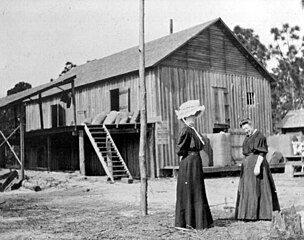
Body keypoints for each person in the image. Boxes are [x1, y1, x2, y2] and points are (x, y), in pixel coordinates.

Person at [174, 100, 213, 230]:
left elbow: (201, 144)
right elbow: (180, 149)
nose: (194, 118)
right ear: (185, 117)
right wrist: (185, 158)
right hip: (189, 162)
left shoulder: (193, 130)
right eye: (191, 116)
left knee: (197, 188)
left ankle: (198, 221)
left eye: (194, 115)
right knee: (190, 189)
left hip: (195, 161)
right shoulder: (186, 130)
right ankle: (187, 221)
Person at [235, 118, 280, 221]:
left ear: (251, 125)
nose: (246, 131)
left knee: (257, 189)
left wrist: (257, 166)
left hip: (257, 164)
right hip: (247, 166)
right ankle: (247, 214)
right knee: (248, 188)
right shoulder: (247, 137)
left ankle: (257, 214)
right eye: (244, 129)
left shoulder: (259, 136)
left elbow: (262, 153)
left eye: (247, 128)